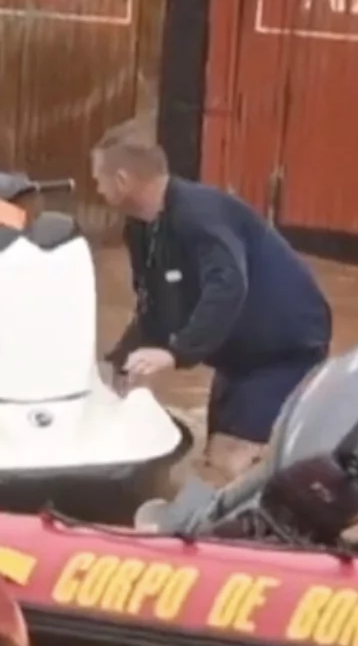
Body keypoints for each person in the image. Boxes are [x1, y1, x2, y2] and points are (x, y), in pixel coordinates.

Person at [92, 117, 333, 482]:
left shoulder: (198, 215)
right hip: (236, 357)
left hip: (283, 352)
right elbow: (153, 309)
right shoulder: (141, 229)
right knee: (212, 461)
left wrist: (177, 353)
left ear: (122, 180)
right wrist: (116, 364)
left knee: (231, 461)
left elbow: (228, 285)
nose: (96, 187)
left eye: (99, 178)